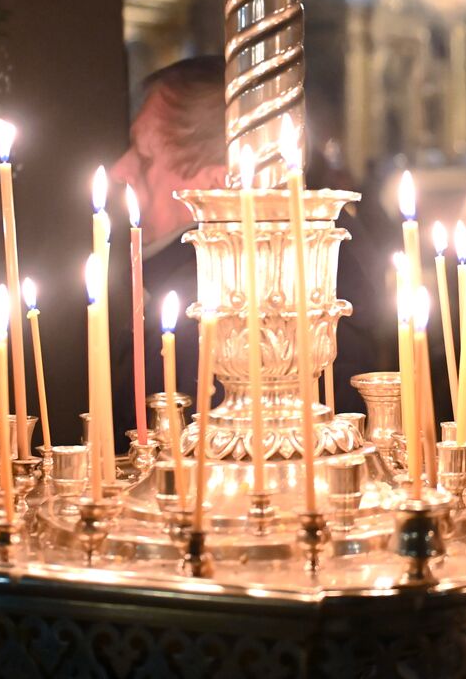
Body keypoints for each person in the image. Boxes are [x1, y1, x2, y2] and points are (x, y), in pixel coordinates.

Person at [108, 56, 381, 448]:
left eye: (144, 155)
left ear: (219, 185)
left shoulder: (213, 314)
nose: (121, 169)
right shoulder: (172, 282)